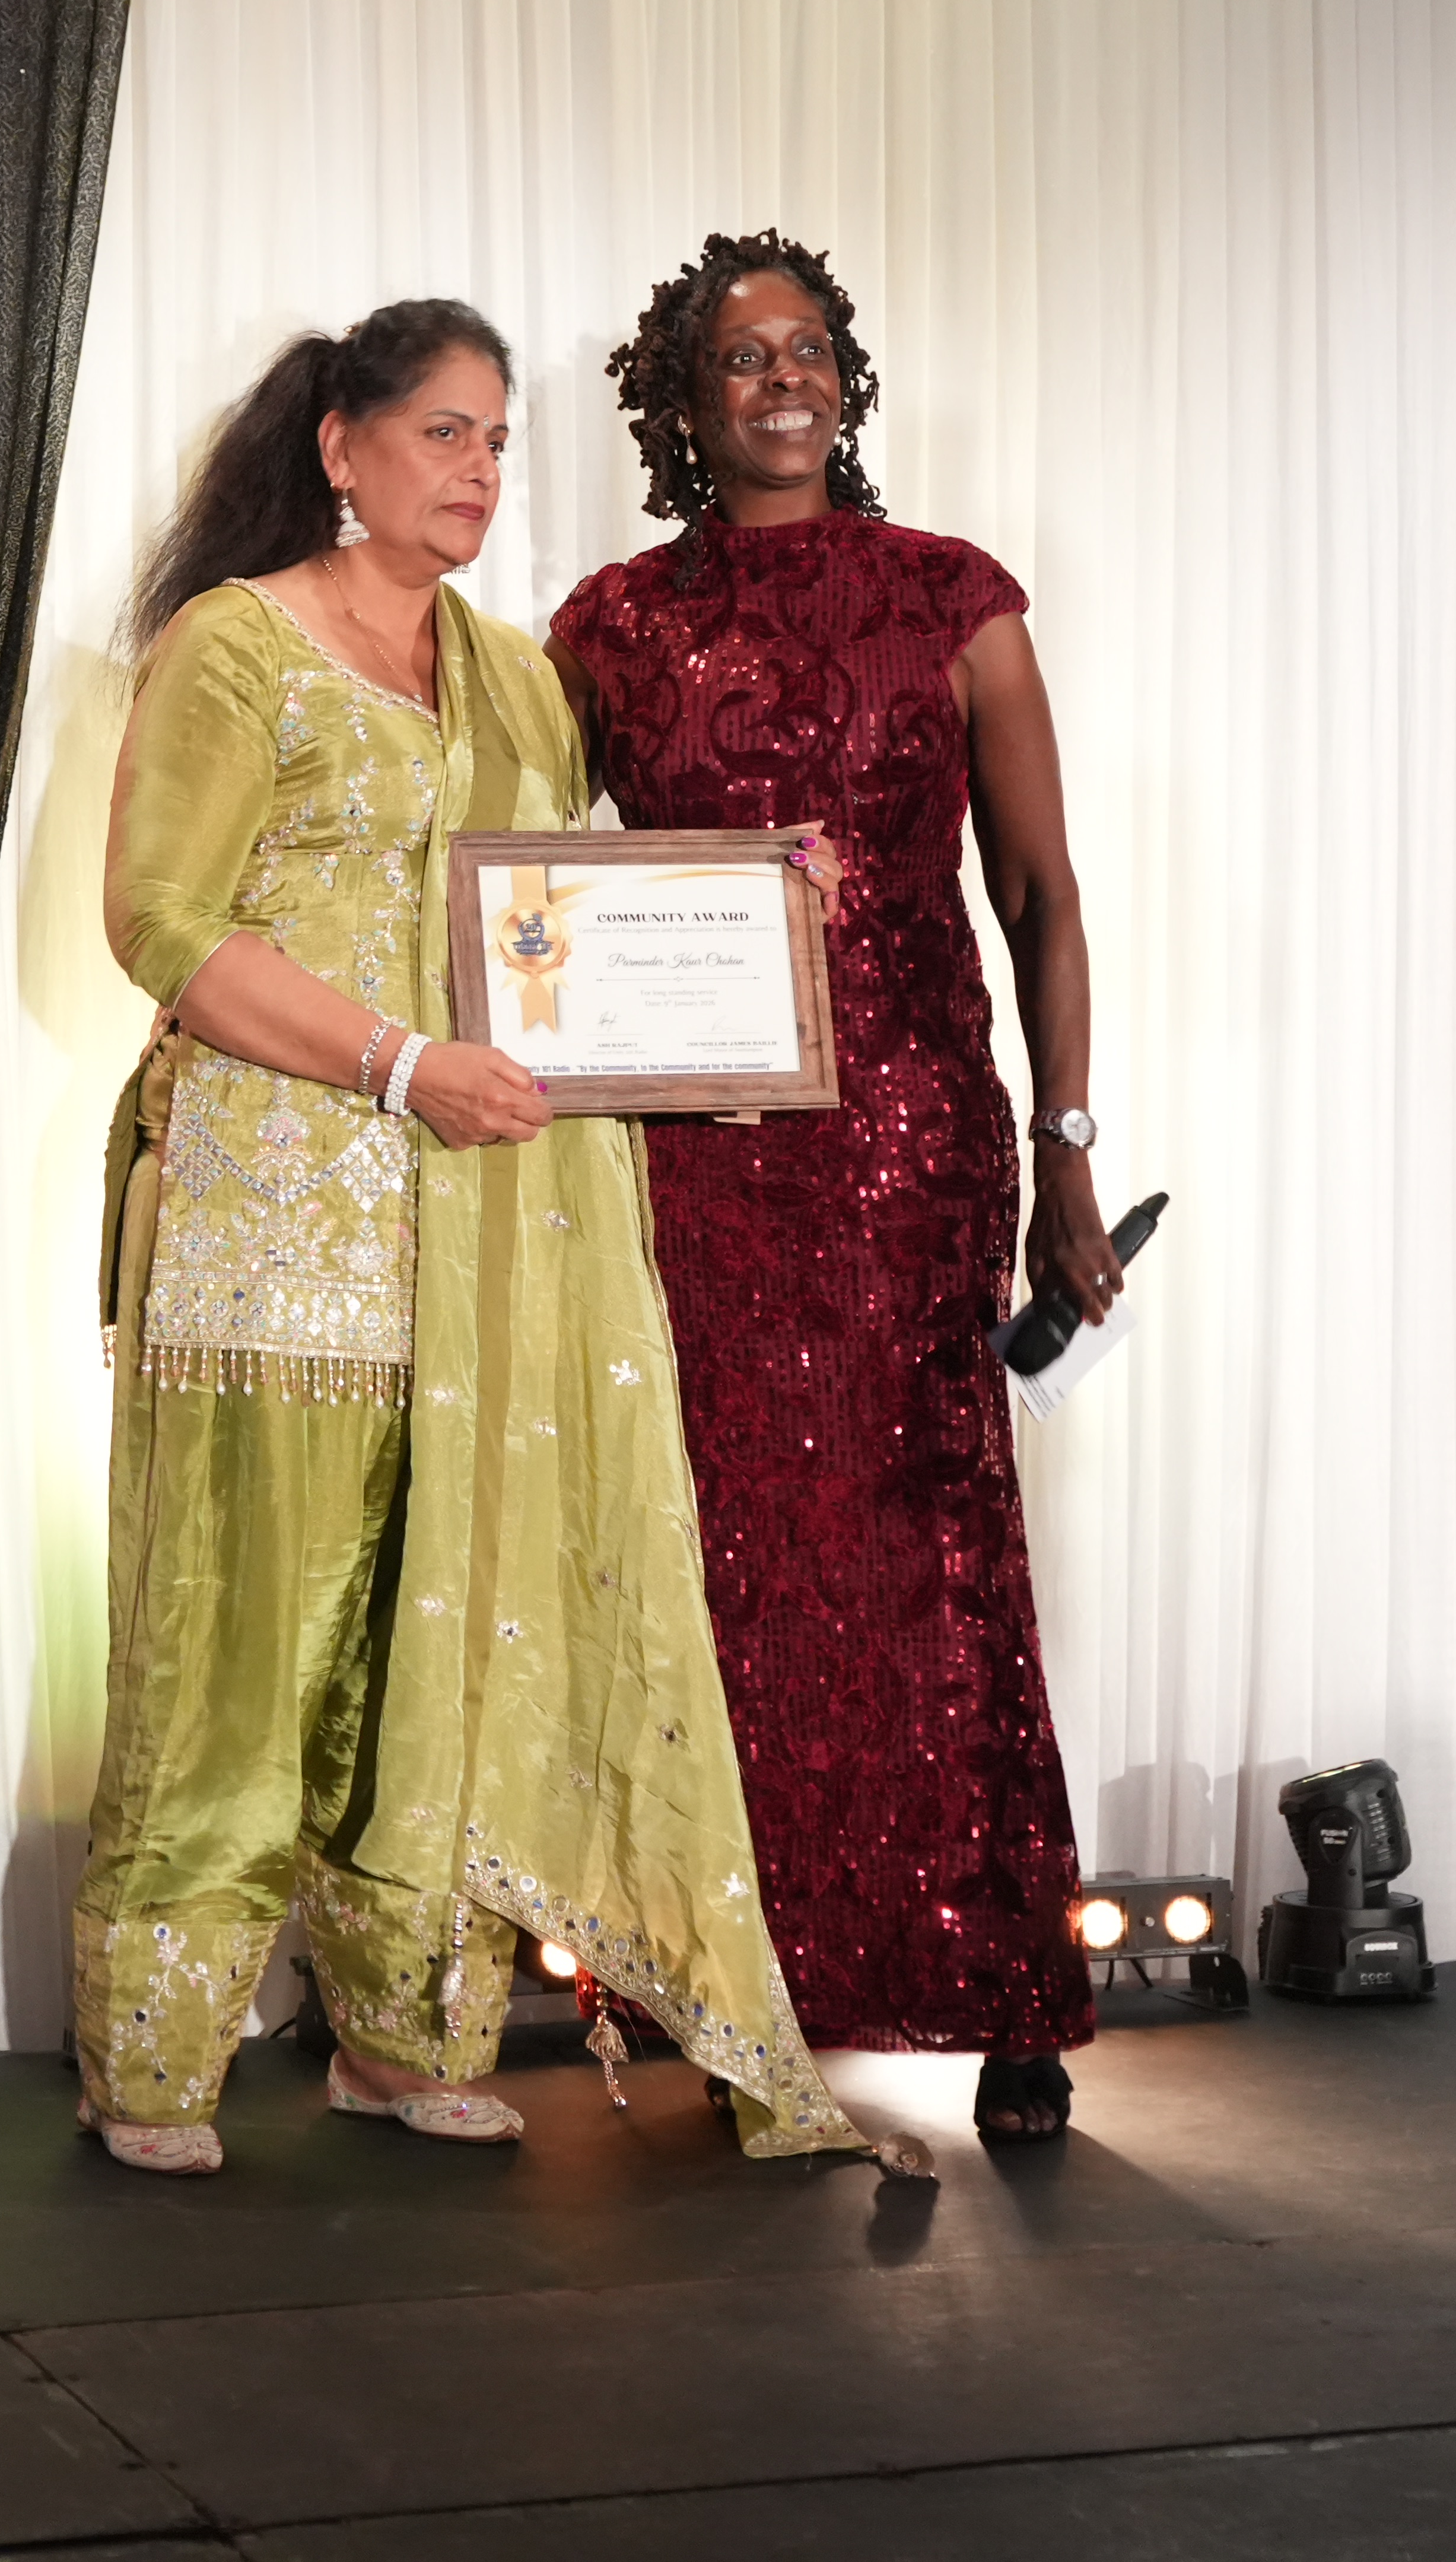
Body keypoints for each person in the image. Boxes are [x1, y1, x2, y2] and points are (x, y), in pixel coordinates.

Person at [81, 296, 889, 2178]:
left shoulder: (517, 681)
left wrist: (766, 926)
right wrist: (397, 1064)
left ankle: (402, 2035)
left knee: (432, 1650)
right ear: (341, 447)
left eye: (501, 441)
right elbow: (164, 925)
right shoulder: (237, 647)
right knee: (242, 1649)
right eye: (444, 432)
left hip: (482, 1250)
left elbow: (575, 933)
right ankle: (155, 2058)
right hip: (276, 1229)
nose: (480, 471)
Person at [547, 234, 1108, 2144]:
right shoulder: (611, 625)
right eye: (741, 355)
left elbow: (1040, 898)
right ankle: (752, 1996)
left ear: (846, 382)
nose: (781, 377)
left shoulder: (955, 598)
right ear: (682, 403)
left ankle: (1006, 1997)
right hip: (702, 1168)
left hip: (912, 1153)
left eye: (808, 347)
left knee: (938, 1563)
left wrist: (1070, 1157)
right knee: (736, 1573)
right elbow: (543, 895)